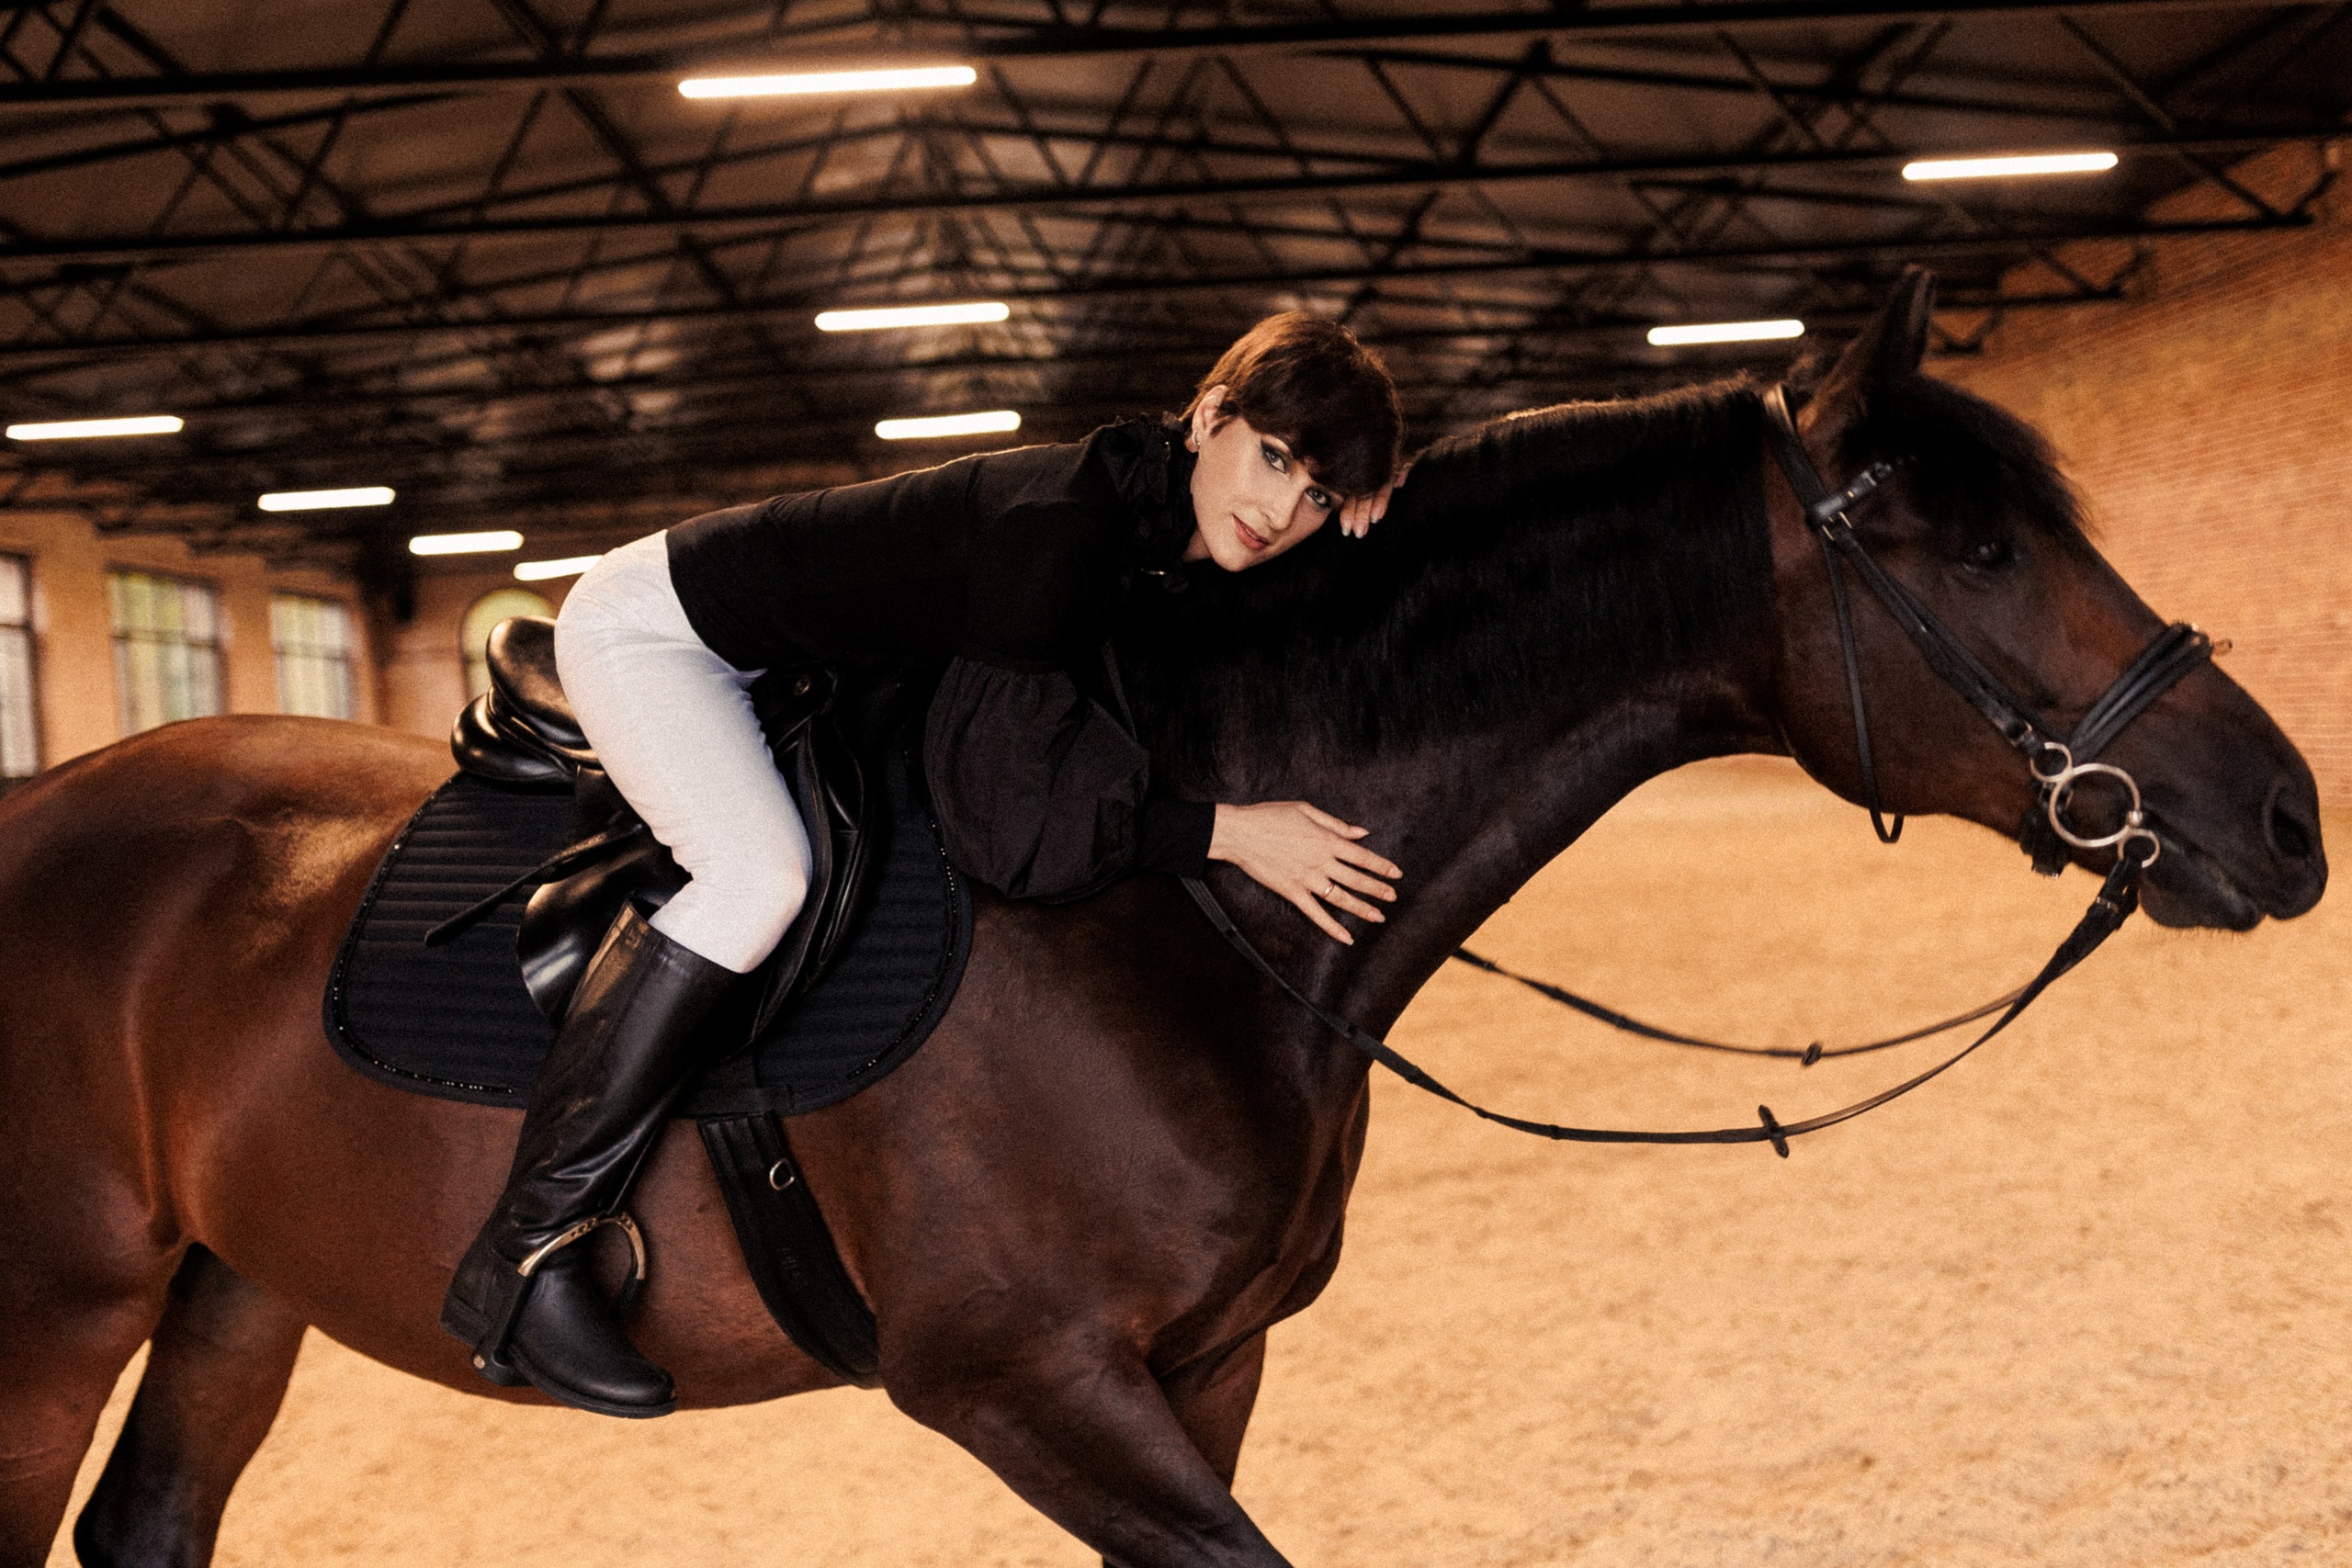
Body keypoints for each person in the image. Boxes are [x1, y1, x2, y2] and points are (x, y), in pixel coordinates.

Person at [441, 311, 1408, 1417]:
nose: (1282, 512)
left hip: (791, 659)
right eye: (1275, 459)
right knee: (760, 876)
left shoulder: (1160, 516)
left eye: (1319, 497)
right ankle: (524, 1254)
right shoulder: (1065, 528)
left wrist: (1375, 502)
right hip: (656, 637)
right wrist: (1224, 831)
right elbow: (1006, 825)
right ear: (1209, 416)